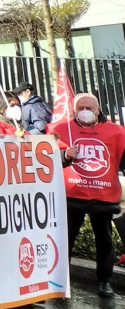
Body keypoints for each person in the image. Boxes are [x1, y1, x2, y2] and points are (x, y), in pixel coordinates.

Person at [48, 93, 125, 296]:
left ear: (98, 110)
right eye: (81, 107)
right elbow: (44, 159)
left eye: (90, 108)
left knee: (105, 241)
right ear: (74, 110)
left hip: (103, 198)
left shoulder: (116, 132)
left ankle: (105, 281)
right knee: (66, 239)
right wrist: (64, 155)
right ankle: (60, 280)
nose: (85, 112)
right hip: (72, 195)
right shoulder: (60, 130)